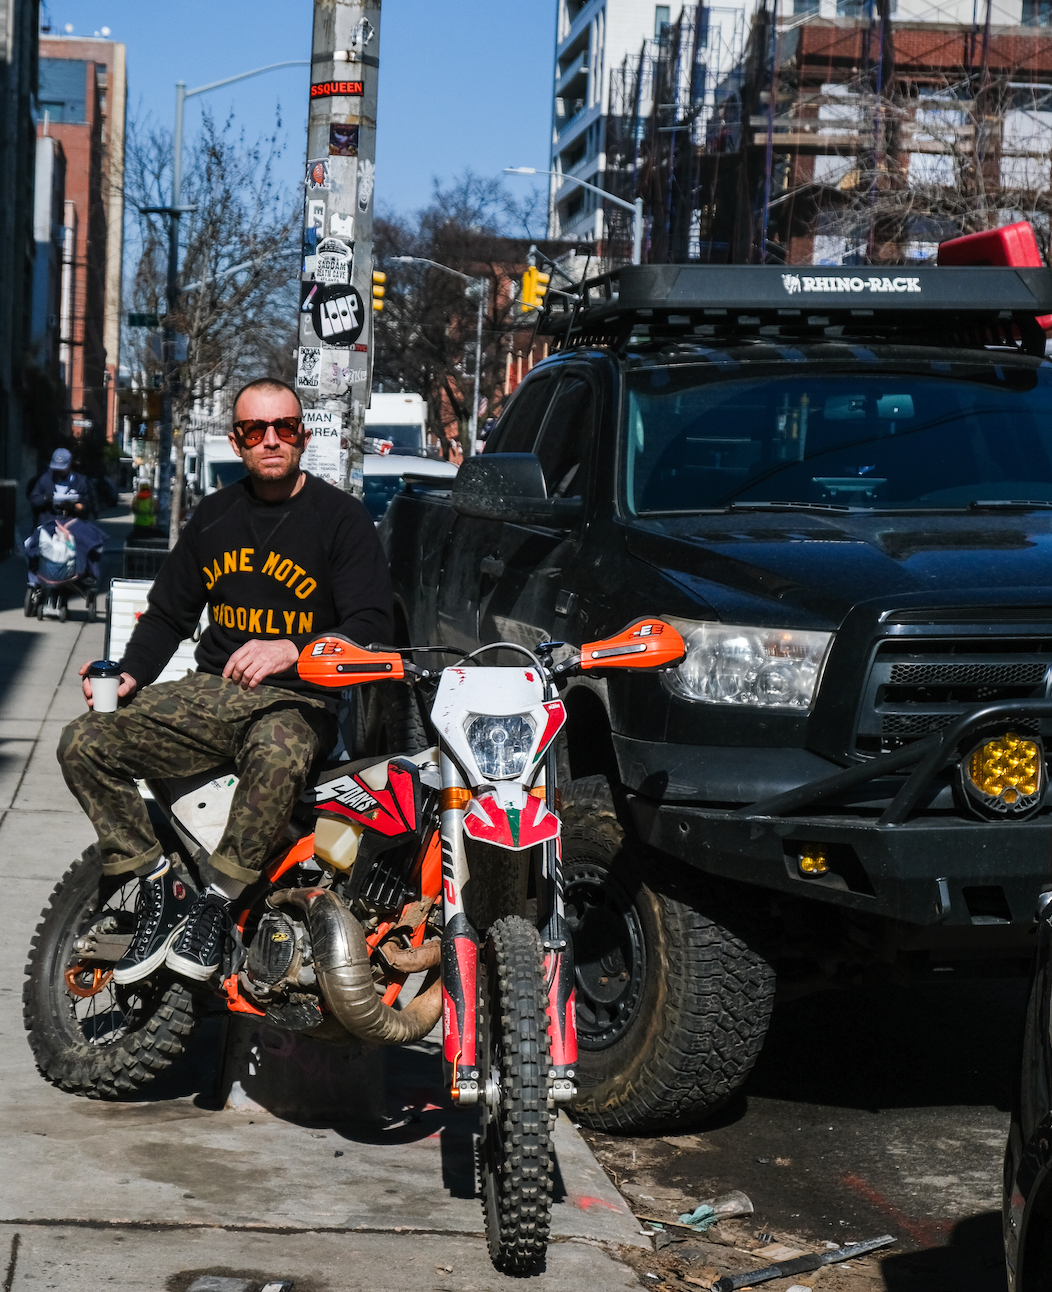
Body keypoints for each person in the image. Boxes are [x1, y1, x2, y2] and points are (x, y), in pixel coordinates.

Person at [58, 377, 394, 986]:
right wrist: (129, 674)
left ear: (303, 436)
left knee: (279, 749)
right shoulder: (215, 516)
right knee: (85, 741)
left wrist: (292, 649)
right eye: (254, 431)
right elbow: (169, 613)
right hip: (214, 691)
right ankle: (154, 883)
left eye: (283, 428)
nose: (270, 440)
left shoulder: (341, 520)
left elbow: (372, 622)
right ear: (237, 442)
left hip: (301, 696)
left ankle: (215, 900)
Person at [30, 448, 94, 524]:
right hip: (48, 523)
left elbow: (87, 505)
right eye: (56, 467)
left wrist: (73, 507)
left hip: (72, 525)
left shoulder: (81, 482)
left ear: (70, 463)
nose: (59, 470)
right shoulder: (45, 479)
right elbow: (34, 499)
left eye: (62, 468)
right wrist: (46, 498)